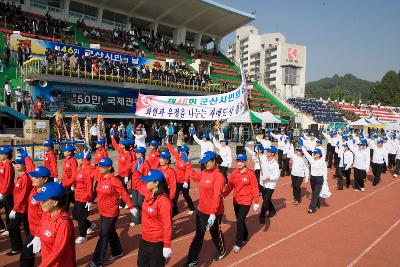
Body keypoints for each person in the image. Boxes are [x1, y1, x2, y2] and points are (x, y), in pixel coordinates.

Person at [88, 158, 135, 267]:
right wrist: (86, 160)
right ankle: (117, 251)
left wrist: (131, 206)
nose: (100, 168)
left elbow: (123, 193)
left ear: (109, 167)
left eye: (103, 166)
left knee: (104, 236)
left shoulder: (114, 180)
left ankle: (97, 261)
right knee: (111, 231)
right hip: (102, 211)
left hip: (111, 213)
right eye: (99, 166)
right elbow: (91, 169)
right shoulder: (100, 176)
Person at [185, 151, 226, 266]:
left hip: (215, 212)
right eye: (203, 162)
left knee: (215, 232)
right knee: (199, 235)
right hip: (201, 211)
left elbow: (217, 196)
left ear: (214, 161)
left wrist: (213, 213)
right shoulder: (204, 173)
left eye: (207, 162)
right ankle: (192, 259)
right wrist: (187, 163)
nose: (205, 164)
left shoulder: (219, 177)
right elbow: (193, 175)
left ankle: (222, 250)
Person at [132, 169, 173, 267]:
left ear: (156, 183)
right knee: (141, 264)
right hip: (145, 239)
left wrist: (167, 245)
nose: (146, 182)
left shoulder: (164, 201)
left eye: (148, 180)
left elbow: (167, 224)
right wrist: (136, 171)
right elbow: (137, 183)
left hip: (157, 242)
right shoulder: (148, 191)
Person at [32, 182, 76, 266]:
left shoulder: (63, 223)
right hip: (48, 263)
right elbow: (41, 224)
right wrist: (37, 236)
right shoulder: (47, 214)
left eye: (44, 200)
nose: (40, 202)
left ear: (55, 202)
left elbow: (57, 250)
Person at [223, 153, 259, 253]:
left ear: (246, 162)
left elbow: (255, 187)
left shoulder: (250, 174)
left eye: (241, 161)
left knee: (239, 221)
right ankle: (245, 235)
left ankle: (238, 243)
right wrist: (223, 195)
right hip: (236, 200)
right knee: (241, 220)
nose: (239, 163)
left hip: (246, 201)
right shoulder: (234, 173)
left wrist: (256, 201)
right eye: (238, 161)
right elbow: (230, 186)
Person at [19, 166, 50, 266]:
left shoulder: (45, 196)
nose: (33, 178)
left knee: (48, 258)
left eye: (37, 177)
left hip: (40, 232)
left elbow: (46, 217)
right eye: (33, 176)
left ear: (45, 179)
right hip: (33, 230)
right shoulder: (34, 189)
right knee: (27, 256)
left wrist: (38, 235)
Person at [64, 150, 96, 244]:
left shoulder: (87, 170)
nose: (77, 160)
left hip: (85, 198)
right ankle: (89, 224)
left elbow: (89, 186)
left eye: (79, 158)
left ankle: (82, 236)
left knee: (81, 217)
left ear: (83, 159)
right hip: (78, 196)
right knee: (75, 215)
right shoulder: (80, 169)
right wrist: (62, 185)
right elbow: (72, 179)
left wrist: (89, 199)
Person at [6, 153, 34, 256]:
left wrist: (15, 209)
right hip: (21, 208)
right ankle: (24, 247)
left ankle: (18, 248)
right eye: (15, 163)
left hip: (22, 208)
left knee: (13, 227)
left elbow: (23, 195)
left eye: (19, 163)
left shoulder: (25, 178)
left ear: (24, 165)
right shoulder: (20, 176)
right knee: (27, 228)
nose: (16, 165)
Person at [167, 142, 195, 216]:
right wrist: (168, 144)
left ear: (186, 152)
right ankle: (174, 211)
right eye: (180, 151)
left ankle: (192, 208)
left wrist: (186, 181)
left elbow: (188, 171)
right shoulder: (178, 157)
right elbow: (172, 152)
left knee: (186, 196)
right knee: (174, 196)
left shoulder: (187, 161)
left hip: (184, 182)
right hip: (176, 181)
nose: (180, 152)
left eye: (182, 151)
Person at [301, 146, 328, 213]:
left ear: (319, 154)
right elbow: (306, 154)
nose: (313, 155)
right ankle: (317, 204)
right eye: (313, 153)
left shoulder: (323, 162)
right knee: (314, 192)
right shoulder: (312, 159)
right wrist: (301, 146)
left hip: (319, 179)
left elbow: (325, 172)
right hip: (312, 178)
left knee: (315, 194)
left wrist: (325, 182)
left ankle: (312, 208)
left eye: (315, 153)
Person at [259, 146, 280, 223]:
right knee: (266, 199)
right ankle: (272, 210)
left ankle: (262, 216)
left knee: (265, 201)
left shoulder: (275, 164)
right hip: (263, 183)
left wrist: (268, 177)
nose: (266, 152)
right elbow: (257, 158)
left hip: (270, 185)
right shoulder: (264, 159)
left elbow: (277, 176)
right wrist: (256, 153)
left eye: (268, 151)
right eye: (267, 151)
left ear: (273, 153)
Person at [110, 135, 133, 208]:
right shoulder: (121, 151)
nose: (120, 145)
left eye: (122, 144)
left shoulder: (128, 154)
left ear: (125, 146)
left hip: (125, 174)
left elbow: (128, 166)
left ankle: (126, 203)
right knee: (122, 188)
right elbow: (115, 145)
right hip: (120, 173)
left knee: (123, 189)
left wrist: (126, 175)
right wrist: (112, 138)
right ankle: (123, 203)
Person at [130, 146, 150, 227]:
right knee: (135, 203)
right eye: (136, 152)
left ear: (142, 154)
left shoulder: (146, 164)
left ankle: (147, 217)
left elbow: (147, 177)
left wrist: (139, 172)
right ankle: (135, 220)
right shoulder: (135, 162)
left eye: (137, 153)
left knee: (140, 203)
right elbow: (131, 169)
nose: (136, 154)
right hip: (134, 186)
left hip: (142, 187)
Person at [0, 146, 15, 235]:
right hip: (2, 192)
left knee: (9, 211)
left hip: (7, 193)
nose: (0, 155)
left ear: (6, 155)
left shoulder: (8, 165)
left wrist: (3, 193)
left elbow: (8, 181)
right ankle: (2, 225)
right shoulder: (2, 164)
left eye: (1, 154)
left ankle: (10, 229)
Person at [60, 144, 77, 212]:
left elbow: (74, 174)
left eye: (65, 151)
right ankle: (80, 205)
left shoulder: (73, 161)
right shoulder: (66, 160)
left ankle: (65, 214)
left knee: (66, 200)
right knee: (71, 198)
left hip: (68, 184)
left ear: (70, 152)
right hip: (64, 183)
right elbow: (64, 173)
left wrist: (71, 184)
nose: (64, 152)